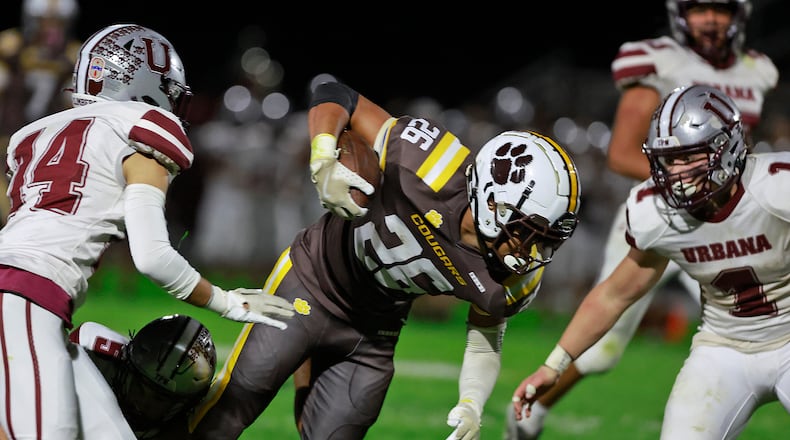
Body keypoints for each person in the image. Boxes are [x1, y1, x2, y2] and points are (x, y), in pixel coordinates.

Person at [188, 80, 582, 440]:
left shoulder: (513, 275)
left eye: (545, 239)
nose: (531, 250)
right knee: (229, 409)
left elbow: (485, 340)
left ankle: (314, 361)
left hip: (373, 333)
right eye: (527, 232)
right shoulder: (431, 163)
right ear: (492, 202)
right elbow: (336, 94)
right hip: (311, 281)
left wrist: (471, 403)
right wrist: (323, 157)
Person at [0, 23, 295, 440]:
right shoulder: (140, 128)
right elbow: (153, 256)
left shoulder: (37, 135)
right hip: (23, 296)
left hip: (30, 300)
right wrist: (227, 301)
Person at [506, 1, 778, 437]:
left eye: (720, 9)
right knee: (603, 349)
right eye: (699, 8)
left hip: (732, 211)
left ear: (740, 15)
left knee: (753, 296)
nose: (710, 19)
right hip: (674, 219)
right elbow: (621, 153)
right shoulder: (658, 61)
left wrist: (731, 190)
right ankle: (534, 409)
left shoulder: (757, 72)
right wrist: (692, 183)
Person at [0, 0, 82, 224]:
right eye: (44, 21)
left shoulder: (74, 53)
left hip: (48, 145)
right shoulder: (11, 45)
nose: (51, 28)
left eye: (58, 22)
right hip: (7, 139)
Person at [69, 314, 216, 439]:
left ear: (184, 405)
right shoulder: (91, 350)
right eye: (139, 387)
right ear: (127, 363)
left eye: (159, 399)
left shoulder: (183, 429)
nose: (142, 403)